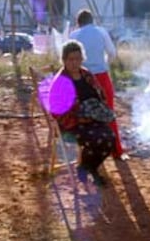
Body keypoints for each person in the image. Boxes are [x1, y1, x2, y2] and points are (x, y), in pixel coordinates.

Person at [49, 39, 115, 186]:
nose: (74, 62)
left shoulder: (86, 75)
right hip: (70, 124)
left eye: (78, 59)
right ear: (64, 60)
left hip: (91, 120)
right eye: (71, 59)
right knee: (97, 139)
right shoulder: (60, 81)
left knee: (110, 138)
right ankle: (89, 169)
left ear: (82, 59)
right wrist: (80, 117)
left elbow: (100, 94)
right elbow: (57, 112)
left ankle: (87, 167)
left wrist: (99, 111)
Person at [70, 8, 127, 160]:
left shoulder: (74, 35)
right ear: (92, 21)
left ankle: (88, 152)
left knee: (85, 114)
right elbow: (112, 53)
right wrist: (104, 63)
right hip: (101, 77)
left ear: (78, 23)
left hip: (82, 79)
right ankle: (117, 152)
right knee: (108, 112)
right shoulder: (101, 32)